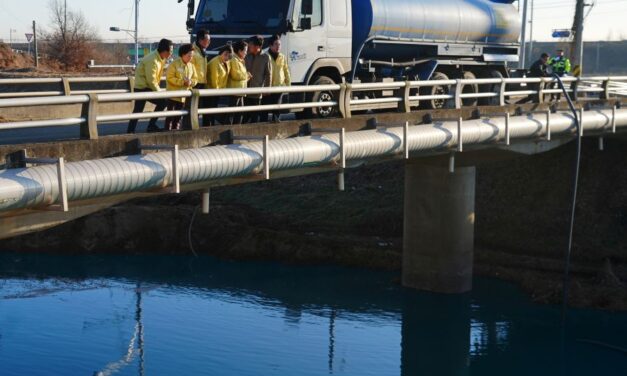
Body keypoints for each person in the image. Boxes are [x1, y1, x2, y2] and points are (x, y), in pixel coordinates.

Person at [127, 38, 173, 133]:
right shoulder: (153, 60)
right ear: (164, 51)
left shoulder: (159, 58)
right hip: (142, 88)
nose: (171, 54)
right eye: (170, 51)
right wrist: (159, 92)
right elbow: (151, 80)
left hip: (144, 86)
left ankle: (133, 130)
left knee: (138, 110)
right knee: (162, 102)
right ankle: (149, 126)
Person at [165, 44, 198, 131]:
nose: (191, 58)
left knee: (178, 118)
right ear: (183, 54)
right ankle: (167, 133)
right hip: (173, 96)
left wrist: (191, 82)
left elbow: (196, 79)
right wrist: (182, 82)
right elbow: (170, 78)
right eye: (189, 56)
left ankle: (176, 133)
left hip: (184, 97)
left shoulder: (191, 66)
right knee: (170, 118)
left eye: (192, 56)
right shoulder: (174, 64)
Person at [243, 35, 272, 123]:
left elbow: (269, 74)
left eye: (251, 45)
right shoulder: (246, 56)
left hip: (257, 92)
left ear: (258, 46)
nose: (249, 47)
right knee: (244, 117)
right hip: (245, 91)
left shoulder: (265, 57)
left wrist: (267, 89)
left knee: (254, 117)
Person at [264, 34, 291, 122]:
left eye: (279, 44)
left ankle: (276, 122)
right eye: (276, 44)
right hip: (268, 87)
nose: (278, 46)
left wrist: (288, 84)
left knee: (277, 106)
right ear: (271, 45)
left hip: (279, 86)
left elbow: (286, 71)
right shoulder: (265, 56)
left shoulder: (282, 57)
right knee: (266, 107)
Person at [207, 44, 233, 125]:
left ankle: (212, 125)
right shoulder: (215, 62)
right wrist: (218, 91)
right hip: (212, 91)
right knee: (211, 110)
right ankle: (210, 126)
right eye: (225, 54)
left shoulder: (225, 62)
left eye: (229, 55)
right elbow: (214, 79)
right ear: (221, 53)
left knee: (213, 110)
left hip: (219, 91)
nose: (227, 57)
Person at [227, 40, 251, 125]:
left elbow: (241, 76)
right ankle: (230, 131)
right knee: (232, 114)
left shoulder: (240, 60)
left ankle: (236, 131)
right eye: (245, 51)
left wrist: (246, 77)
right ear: (239, 51)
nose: (246, 53)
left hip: (241, 91)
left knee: (240, 113)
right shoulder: (234, 60)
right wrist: (246, 75)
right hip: (235, 91)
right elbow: (235, 75)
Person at [192, 29, 212, 127]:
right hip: (195, 83)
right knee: (194, 108)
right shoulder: (193, 51)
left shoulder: (202, 50)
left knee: (204, 107)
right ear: (200, 40)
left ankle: (205, 127)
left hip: (203, 82)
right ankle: (191, 128)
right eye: (207, 40)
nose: (209, 42)